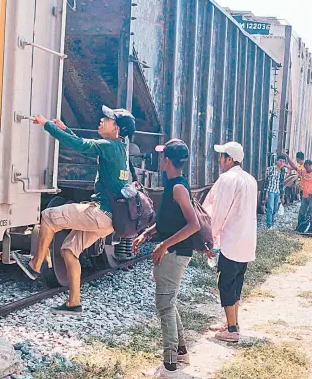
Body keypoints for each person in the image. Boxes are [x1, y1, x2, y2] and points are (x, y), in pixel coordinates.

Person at [11, 105, 136, 315]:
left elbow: (79, 145)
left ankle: (34, 264)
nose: (102, 120)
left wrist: (47, 125)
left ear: (117, 129)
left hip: (100, 214)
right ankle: (74, 302)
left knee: (49, 216)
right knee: (69, 251)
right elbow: (84, 144)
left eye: (108, 119)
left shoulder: (109, 146)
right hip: (110, 221)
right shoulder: (119, 148)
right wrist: (65, 128)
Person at [132, 139, 200, 378]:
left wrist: (163, 245)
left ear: (167, 161)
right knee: (168, 302)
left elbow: (194, 225)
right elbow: (167, 222)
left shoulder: (178, 188)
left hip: (176, 253)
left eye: (162, 157)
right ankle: (180, 352)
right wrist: (146, 235)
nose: (160, 160)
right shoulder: (173, 185)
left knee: (164, 305)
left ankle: (170, 364)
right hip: (172, 251)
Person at [202, 142, 257, 343]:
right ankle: (231, 322)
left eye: (222, 156)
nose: (219, 160)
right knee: (236, 284)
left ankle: (232, 330)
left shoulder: (227, 179)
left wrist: (210, 239)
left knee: (225, 284)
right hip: (246, 241)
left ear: (230, 159)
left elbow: (219, 213)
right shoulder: (250, 179)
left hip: (231, 241)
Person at [284, 154, 312, 232]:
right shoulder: (303, 172)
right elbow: (294, 167)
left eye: (308, 167)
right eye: (306, 167)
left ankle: (311, 228)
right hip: (305, 196)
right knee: (302, 212)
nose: (307, 169)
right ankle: (300, 227)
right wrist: (287, 157)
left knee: (311, 213)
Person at [264, 154, 287, 228]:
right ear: (277, 161)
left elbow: (282, 184)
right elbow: (266, 180)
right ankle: (269, 225)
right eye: (280, 161)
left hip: (278, 192)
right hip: (271, 190)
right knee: (270, 208)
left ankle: (272, 223)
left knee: (275, 209)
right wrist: (266, 193)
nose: (282, 162)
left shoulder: (283, 171)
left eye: (283, 161)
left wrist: (282, 196)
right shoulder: (272, 169)